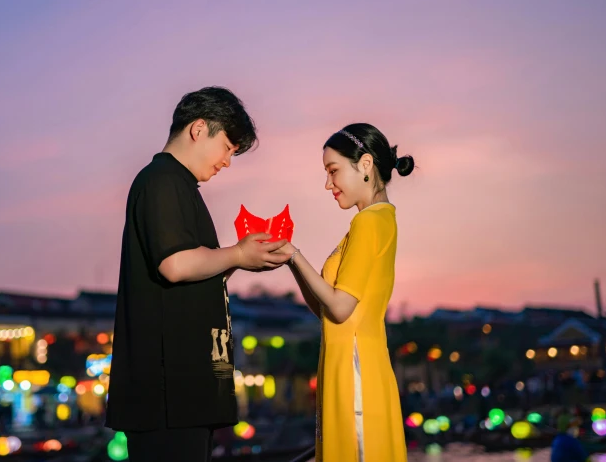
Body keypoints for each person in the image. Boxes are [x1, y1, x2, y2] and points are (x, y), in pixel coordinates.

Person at [106, 86, 292, 462]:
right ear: (198, 128)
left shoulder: (181, 186)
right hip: (168, 396)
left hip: (184, 393)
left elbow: (195, 272)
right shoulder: (162, 180)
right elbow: (174, 265)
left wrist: (240, 258)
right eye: (227, 147)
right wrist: (237, 253)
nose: (227, 161)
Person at [275, 123, 412, 461]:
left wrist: (295, 255)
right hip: (353, 365)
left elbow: (339, 309)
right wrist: (291, 260)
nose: (327, 183)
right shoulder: (377, 220)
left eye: (333, 171)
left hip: (356, 372)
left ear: (365, 164)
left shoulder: (368, 223)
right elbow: (327, 308)